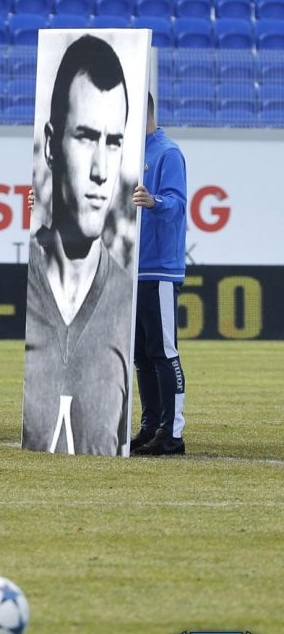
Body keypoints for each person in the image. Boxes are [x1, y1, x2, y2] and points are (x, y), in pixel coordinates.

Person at [22, 34, 134, 455]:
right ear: (52, 145)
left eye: (114, 142)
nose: (101, 170)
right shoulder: (24, 286)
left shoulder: (126, 301)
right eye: (86, 137)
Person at [130, 93, 187, 456]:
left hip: (159, 268)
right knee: (141, 354)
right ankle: (151, 425)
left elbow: (178, 204)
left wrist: (155, 201)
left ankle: (172, 432)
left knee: (164, 351)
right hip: (130, 268)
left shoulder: (168, 153)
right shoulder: (128, 154)